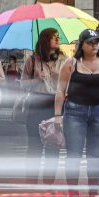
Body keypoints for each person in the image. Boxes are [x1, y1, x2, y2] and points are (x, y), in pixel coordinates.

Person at [55, 29, 99, 197]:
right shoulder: (71, 63)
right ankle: (73, 196)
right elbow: (60, 90)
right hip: (75, 112)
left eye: (96, 42)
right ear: (81, 45)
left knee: (95, 155)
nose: (94, 45)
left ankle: (94, 195)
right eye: (90, 42)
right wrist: (57, 116)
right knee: (74, 155)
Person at [20, 28, 65, 187]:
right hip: (36, 104)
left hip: (56, 105)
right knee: (34, 146)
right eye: (54, 37)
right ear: (46, 40)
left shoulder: (64, 60)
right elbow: (22, 85)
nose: (57, 39)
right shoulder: (32, 61)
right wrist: (36, 80)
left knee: (53, 146)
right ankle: (31, 183)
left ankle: (48, 185)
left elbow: (69, 84)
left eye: (58, 37)